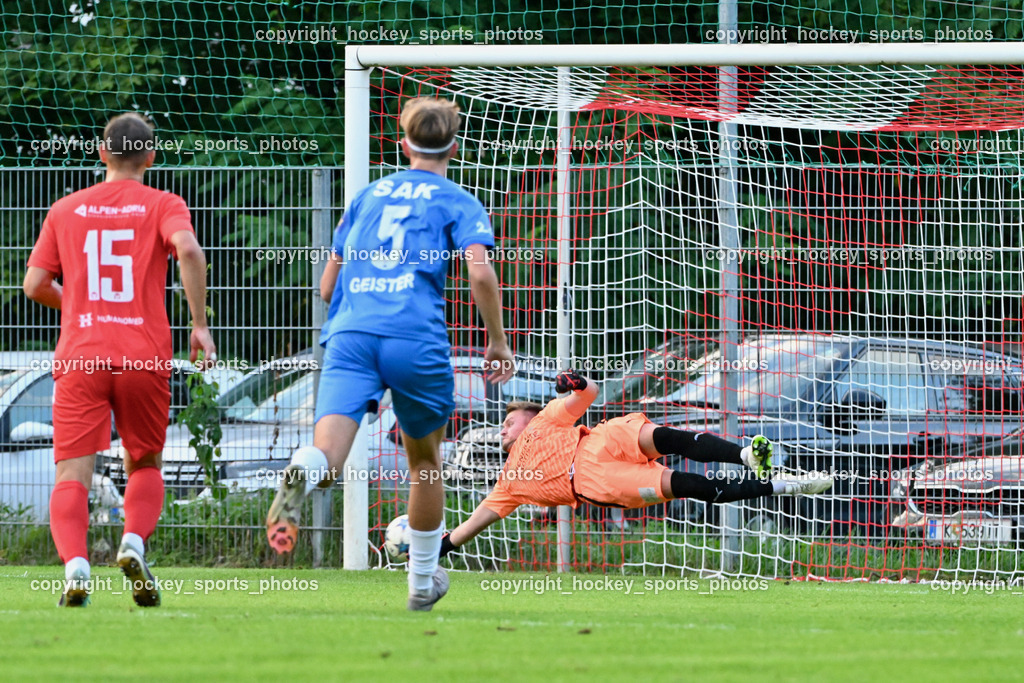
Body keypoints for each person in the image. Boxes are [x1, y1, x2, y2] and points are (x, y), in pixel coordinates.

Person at [265, 97, 513, 611]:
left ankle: (302, 472)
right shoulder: (458, 200)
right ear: (455, 145)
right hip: (413, 337)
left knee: (329, 458)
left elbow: (327, 286)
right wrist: (497, 340)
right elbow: (481, 272)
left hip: (352, 333)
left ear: (403, 143)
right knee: (423, 464)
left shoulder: (367, 197)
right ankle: (422, 583)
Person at [23, 112, 216, 607]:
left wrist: (84, 303)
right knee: (145, 461)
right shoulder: (163, 203)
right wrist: (199, 324)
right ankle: (132, 543)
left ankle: (76, 567)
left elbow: (34, 286)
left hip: (82, 354)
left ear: (101, 152)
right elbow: (189, 251)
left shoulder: (66, 208)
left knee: (71, 474)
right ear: (150, 158)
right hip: (142, 355)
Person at [439, 370, 834, 557]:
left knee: (666, 437)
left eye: (510, 420)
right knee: (692, 486)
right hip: (594, 480)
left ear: (529, 414)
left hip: (599, 439)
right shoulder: (509, 483)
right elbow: (471, 525)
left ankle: (745, 454)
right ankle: (788, 484)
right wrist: (434, 550)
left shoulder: (546, 418)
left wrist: (574, 383)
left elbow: (589, 392)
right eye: (503, 426)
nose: (505, 427)